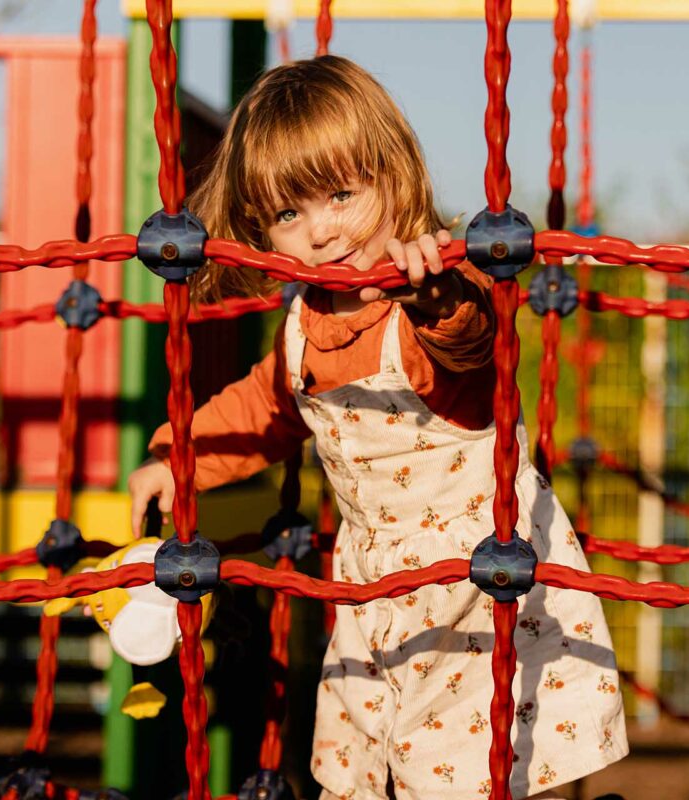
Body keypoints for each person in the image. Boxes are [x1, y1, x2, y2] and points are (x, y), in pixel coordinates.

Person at [128, 55, 626, 800]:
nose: (322, 232)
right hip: (371, 590)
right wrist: (178, 457)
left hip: (479, 581)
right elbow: (261, 409)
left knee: (464, 775)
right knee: (356, 770)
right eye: (289, 215)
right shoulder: (302, 327)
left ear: (394, 178)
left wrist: (436, 299)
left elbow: (474, 347)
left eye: (341, 194)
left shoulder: (428, 302)